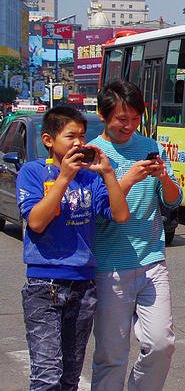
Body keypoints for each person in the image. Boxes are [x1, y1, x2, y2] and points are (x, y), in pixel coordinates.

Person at [17, 106, 129, 391]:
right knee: (46, 375)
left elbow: (120, 214)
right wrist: (64, 177)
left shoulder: (90, 178)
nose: (79, 143)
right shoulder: (33, 172)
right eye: (70, 136)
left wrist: (108, 173)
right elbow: (37, 222)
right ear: (48, 140)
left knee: (70, 377)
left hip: (83, 286)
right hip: (44, 286)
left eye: (82, 136)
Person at [89, 80, 183, 391]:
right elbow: (99, 210)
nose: (129, 125)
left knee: (161, 344)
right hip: (108, 267)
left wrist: (164, 176)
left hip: (152, 262)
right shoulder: (93, 155)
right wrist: (126, 179)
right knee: (111, 355)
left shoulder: (150, 147)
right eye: (121, 119)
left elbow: (172, 200)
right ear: (104, 116)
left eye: (135, 118)